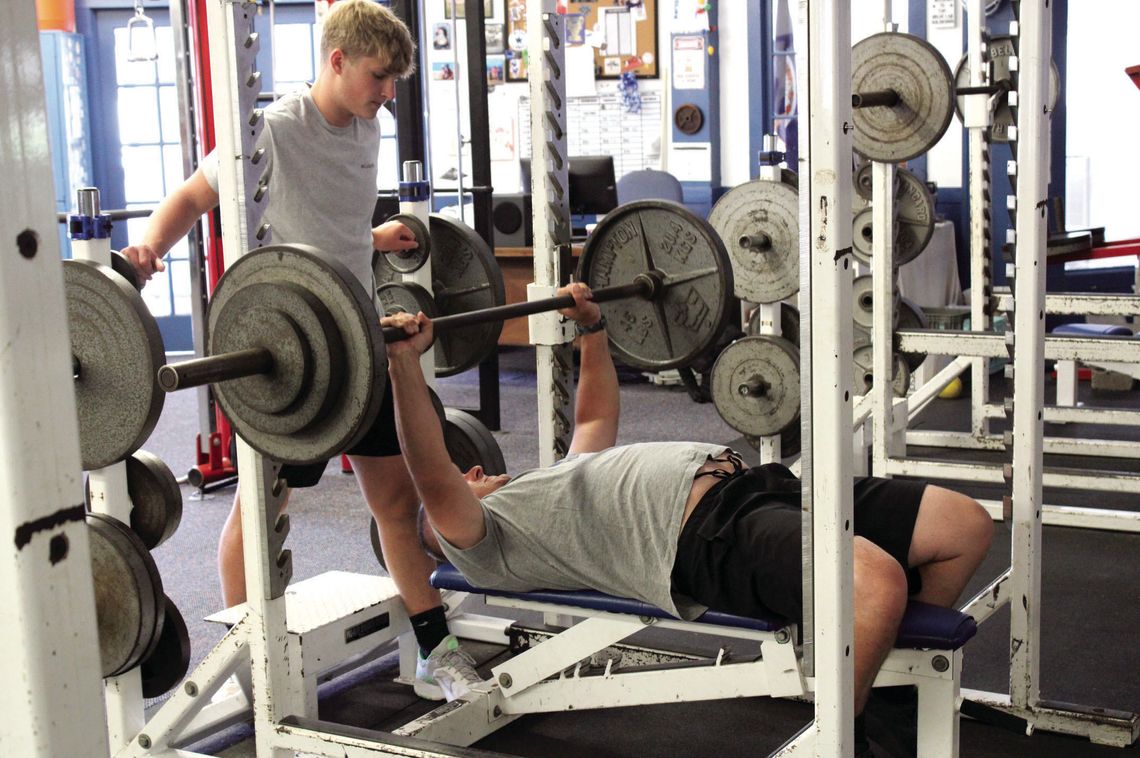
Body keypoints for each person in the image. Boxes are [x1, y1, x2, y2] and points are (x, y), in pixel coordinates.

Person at [382, 283, 994, 755]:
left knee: (963, 527)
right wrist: (404, 364)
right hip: (702, 539)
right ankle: (838, 737)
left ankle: (884, 685)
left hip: (759, 487)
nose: (471, 473)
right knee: (875, 584)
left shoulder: (546, 486)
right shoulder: (482, 541)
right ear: (445, 534)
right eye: (462, 489)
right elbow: (432, 470)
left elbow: (592, 422)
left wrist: (592, 330)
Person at [121, 0, 482, 702]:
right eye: (378, 77)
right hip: (291, 355)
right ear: (336, 60)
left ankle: (438, 652)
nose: (386, 94)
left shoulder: (368, 129)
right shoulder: (274, 130)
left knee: (395, 501)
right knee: (263, 510)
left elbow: (331, 213)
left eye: (394, 83)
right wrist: (147, 254)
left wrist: (375, 239)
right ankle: (245, 658)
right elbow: (195, 196)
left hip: (359, 336)